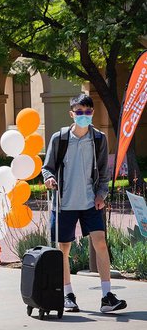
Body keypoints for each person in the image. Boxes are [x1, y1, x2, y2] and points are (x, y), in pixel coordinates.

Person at [42, 93, 127, 314]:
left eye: (87, 112)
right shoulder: (59, 139)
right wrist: (49, 179)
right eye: (79, 112)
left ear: (92, 113)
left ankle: (107, 296)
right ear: (71, 114)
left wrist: (101, 194)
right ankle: (68, 295)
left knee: (100, 244)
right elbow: (47, 167)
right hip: (64, 204)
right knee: (63, 251)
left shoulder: (98, 138)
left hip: (91, 203)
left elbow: (104, 173)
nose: (84, 116)